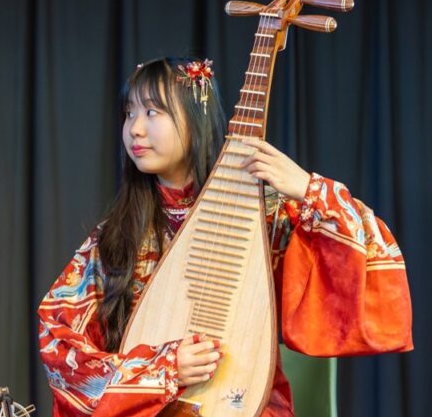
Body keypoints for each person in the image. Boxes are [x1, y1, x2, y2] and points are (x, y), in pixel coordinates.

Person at [37, 57, 412, 416]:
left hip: (248, 403)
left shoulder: (264, 215)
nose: (135, 128)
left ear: (195, 118)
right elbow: (56, 338)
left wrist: (309, 188)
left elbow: (369, 257)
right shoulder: (118, 235)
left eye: (152, 112)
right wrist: (160, 371)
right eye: (129, 112)